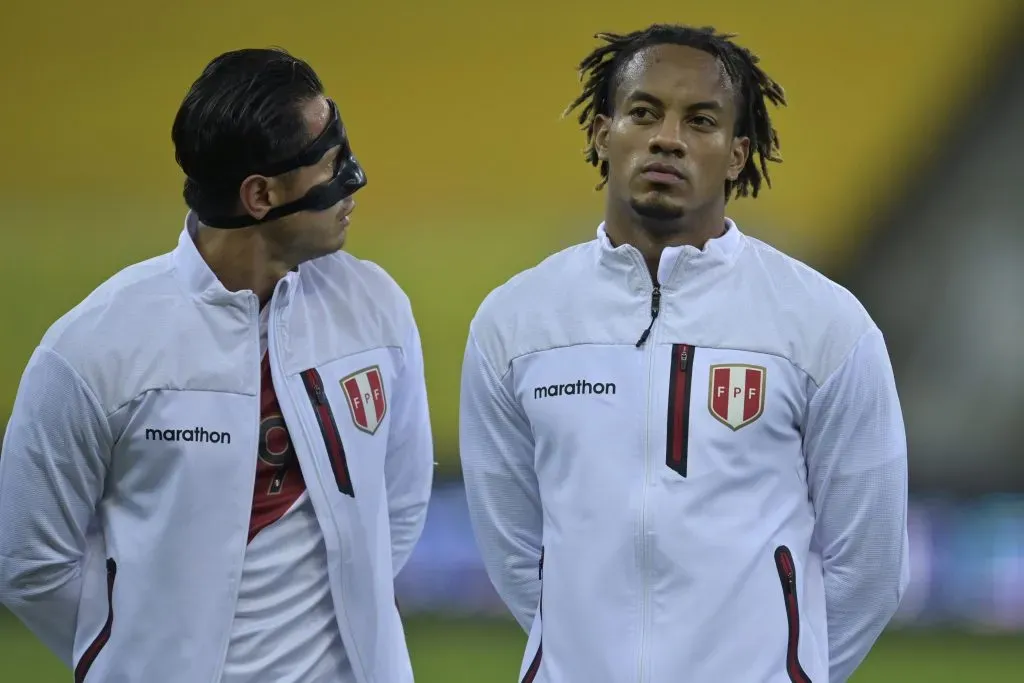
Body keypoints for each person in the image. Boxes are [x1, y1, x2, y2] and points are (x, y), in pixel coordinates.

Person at [459, 24, 909, 683]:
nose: (668, 137)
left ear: (736, 154)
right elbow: (514, 549)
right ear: (601, 132)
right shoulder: (517, 321)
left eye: (701, 120)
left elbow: (868, 565)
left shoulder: (824, 324)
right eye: (644, 112)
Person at [0, 48, 434, 683]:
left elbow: (399, 504)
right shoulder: (93, 348)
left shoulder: (376, 309)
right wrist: (145, 656)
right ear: (260, 195)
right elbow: (30, 560)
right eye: (330, 164)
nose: (356, 181)